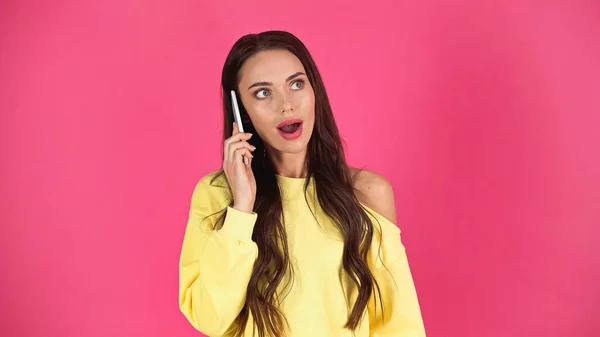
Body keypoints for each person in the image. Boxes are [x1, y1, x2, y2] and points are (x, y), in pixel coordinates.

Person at [178, 30, 426, 337]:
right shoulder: (218, 194)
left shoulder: (367, 193)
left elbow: (399, 323)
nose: (287, 105)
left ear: (314, 92)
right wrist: (241, 209)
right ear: (242, 112)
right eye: (263, 93)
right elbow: (209, 317)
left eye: (296, 84)